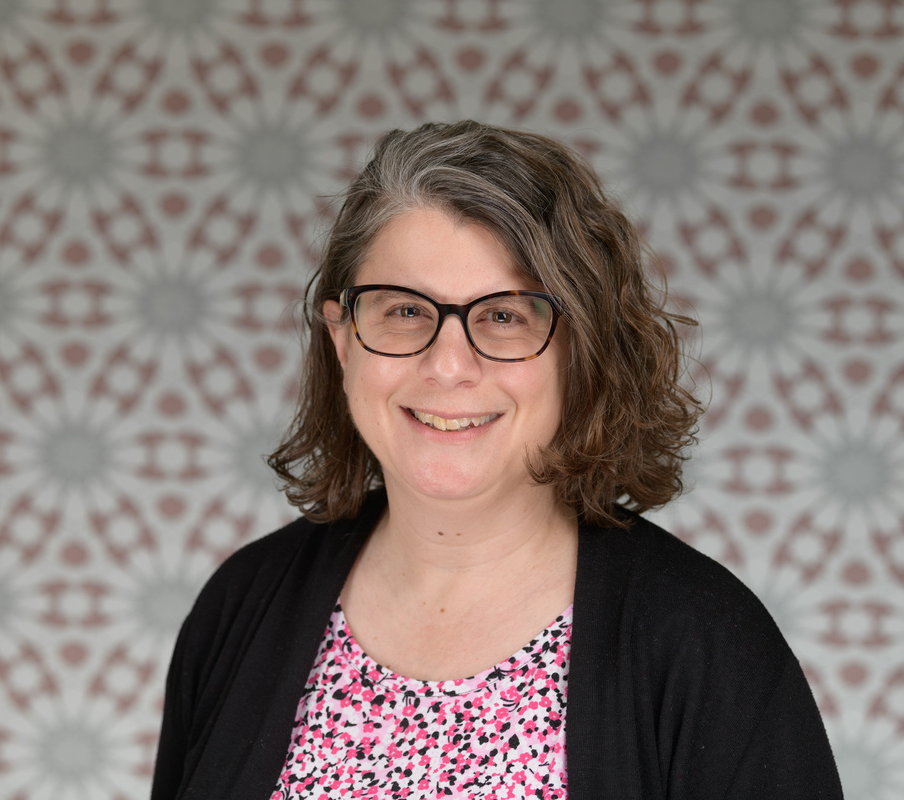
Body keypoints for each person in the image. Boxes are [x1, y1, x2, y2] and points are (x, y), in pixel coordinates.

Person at [150, 120, 844, 799]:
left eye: (506, 316)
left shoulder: (709, 646)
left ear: (582, 352)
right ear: (342, 340)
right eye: (403, 311)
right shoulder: (241, 608)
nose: (448, 365)